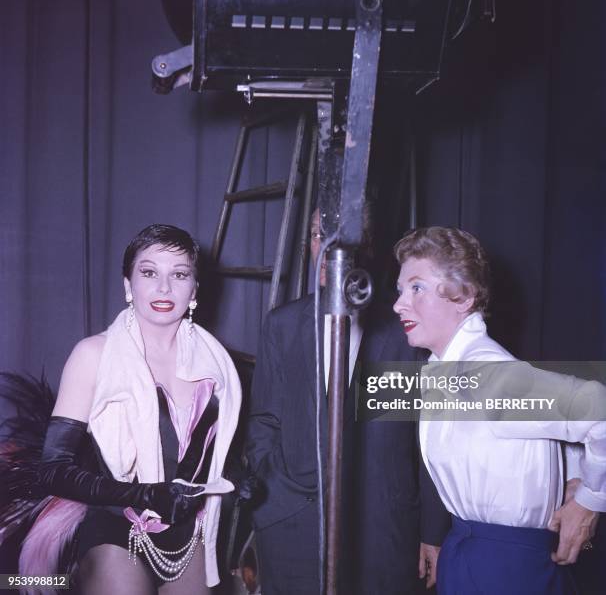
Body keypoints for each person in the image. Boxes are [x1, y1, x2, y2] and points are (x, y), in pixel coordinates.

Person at [18, 224, 242, 594]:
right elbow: (53, 471)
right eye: (149, 272)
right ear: (128, 285)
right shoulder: (93, 355)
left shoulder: (216, 363)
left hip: (189, 534)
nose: (164, 288)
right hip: (116, 525)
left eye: (180, 274)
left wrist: (236, 475)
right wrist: (143, 495)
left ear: (195, 290)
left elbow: (207, 452)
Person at [246, 209, 450, 595]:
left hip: (382, 534)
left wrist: (432, 531)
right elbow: (264, 420)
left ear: (367, 245)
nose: (327, 247)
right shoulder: (283, 325)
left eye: (342, 234)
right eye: (318, 234)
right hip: (292, 530)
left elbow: (428, 441)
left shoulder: (405, 331)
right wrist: (273, 493)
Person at [392, 226, 606, 595]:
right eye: (400, 290)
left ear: (463, 297)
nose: (399, 304)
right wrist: (573, 472)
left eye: (417, 287)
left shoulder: (487, 375)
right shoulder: (448, 370)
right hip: (469, 550)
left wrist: (590, 500)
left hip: (507, 570)